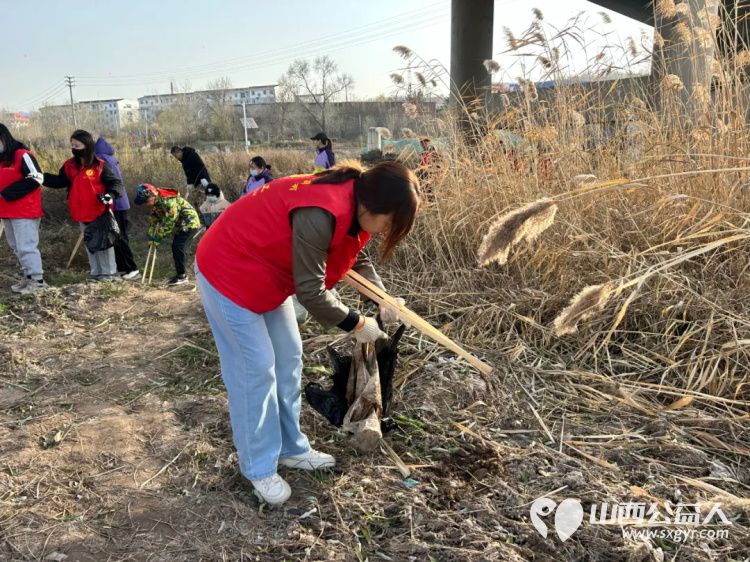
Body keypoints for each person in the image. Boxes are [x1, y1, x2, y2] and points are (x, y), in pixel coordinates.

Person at [194, 160, 419, 505]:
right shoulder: (320, 211)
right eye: (389, 222)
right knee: (256, 370)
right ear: (374, 205)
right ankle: (258, 466)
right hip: (229, 271)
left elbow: (354, 257)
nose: (385, 230)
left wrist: (382, 298)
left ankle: (290, 447)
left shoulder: (356, 204)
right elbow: (311, 292)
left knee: (288, 359)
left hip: (268, 275)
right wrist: (358, 323)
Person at [43, 130, 123, 281]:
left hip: (100, 211)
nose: (74, 148)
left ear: (87, 145)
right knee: (90, 242)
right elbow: (60, 181)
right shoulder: (69, 165)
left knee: (104, 242)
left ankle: (109, 273)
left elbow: (115, 183)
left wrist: (110, 195)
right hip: (80, 211)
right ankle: (96, 272)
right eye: (72, 145)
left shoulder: (100, 165)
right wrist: (42, 178)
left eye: (77, 145)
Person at [0, 123, 47, 294]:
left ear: (3, 138)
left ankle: (37, 280)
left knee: (27, 246)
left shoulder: (22, 154)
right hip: (6, 211)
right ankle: (28, 277)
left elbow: (37, 177)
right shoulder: (1, 160)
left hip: (24, 210)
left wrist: (7, 193)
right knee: (16, 247)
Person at [134, 183, 201, 285]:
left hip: (190, 222)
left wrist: (159, 236)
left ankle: (182, 276)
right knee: (177, 247)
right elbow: (154, 220)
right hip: (180, 224)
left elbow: (170, 222)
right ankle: (181, 275)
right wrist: (151, 235)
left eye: (146, 201)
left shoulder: (168, 201)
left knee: (178, 246)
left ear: (152, 195)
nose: (146, 204)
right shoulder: (156, 202)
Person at [94, 137, 139, 279]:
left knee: (119, 236)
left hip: (116, 203)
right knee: (117, 236)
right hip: (119, 202)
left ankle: (131, 269)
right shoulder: (110, 159)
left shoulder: (102, 160)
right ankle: (122, 267)